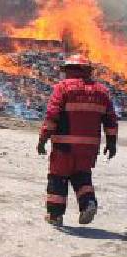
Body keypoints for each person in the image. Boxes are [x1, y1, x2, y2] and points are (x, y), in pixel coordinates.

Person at [37, 54, 119, 225]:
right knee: (82, 176)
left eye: (68, 70)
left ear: (72, 70)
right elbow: (110, 119)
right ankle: (88, 203)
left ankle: (55, 216)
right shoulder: (102, 91)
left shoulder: (63, 88)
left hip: (64, 145)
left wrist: (43, 138)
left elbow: (52, 115)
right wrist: (111, 142)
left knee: (58, 178)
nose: (66, 74)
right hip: (89, 148)